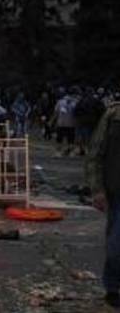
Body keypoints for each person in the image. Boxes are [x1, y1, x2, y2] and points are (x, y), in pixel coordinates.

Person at [87, 101, 120, 309]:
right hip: (116, 189)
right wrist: (97, 189)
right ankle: (113, 287)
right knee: (116, 245)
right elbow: (95, 153)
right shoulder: (114, 115)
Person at [75, 88, 107, 156]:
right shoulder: (96, 101)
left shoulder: (81, 101)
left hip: (81, 121)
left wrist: (78, 117)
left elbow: (76, 111)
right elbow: (102, 110)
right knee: (90, 136)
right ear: (92, 93)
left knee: (81, 136)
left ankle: (82, 150)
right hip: (92, 121)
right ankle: (88, 150)